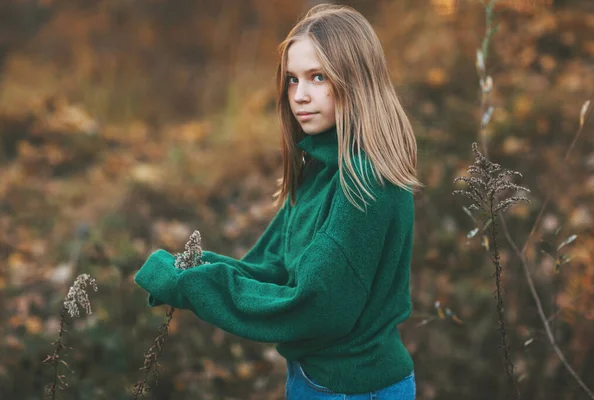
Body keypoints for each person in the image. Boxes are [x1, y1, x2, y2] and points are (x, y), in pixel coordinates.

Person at [134, 4, 422, 399]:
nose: (299, 96)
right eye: (292, 80)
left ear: (356, 79)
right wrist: (188, 268)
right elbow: (271, 268)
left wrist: (190, 285)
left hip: (353, 389)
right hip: (317, 379)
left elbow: (314, 306)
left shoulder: (362, 180)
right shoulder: (323, 169)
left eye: (317, 77)